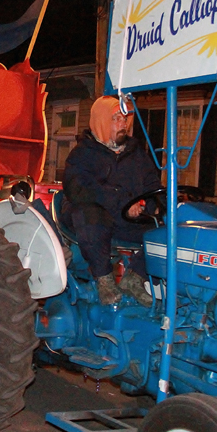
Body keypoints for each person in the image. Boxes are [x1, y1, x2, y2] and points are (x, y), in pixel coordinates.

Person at [62, 96, 161, 307]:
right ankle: (104, 278)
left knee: (166, 230)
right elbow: (80, 189)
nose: (123, 125)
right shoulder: (82, 155)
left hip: (126, 221)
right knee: (89, 214)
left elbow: (153, 185)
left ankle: (135, 278)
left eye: (125, 119)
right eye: (116, 119)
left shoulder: (137, 156)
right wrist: (123, 202)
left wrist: (149, 206)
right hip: (93, 219)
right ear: (102, 121)